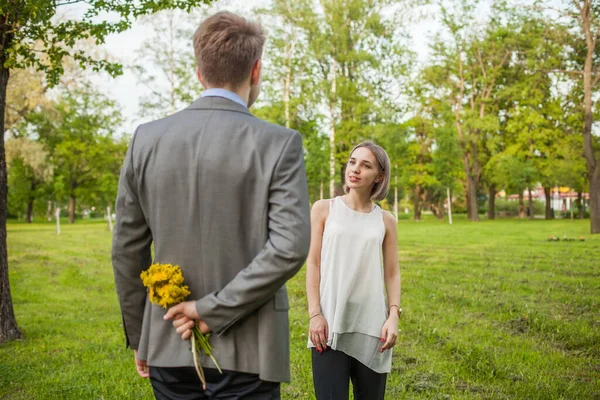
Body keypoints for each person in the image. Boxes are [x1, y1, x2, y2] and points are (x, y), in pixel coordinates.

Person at [112, 11, 311, 399]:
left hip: (168, 341)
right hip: (251, 350)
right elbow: (289, 246)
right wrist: (210, 309)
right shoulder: (279, 143)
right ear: (256, 71)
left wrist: (142, 337)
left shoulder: (146, 139)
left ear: (199, 73)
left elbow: (125, 250)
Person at [306, 141, 401, 400]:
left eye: (365, 165)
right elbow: (313, 263)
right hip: (329, 325)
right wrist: (315, 315)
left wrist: (393, 316)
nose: (355, 169)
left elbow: (392, 272)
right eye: (352, 161)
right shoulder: (323, 209)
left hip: (372, 328)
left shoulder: (386, 220)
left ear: (379, 176)